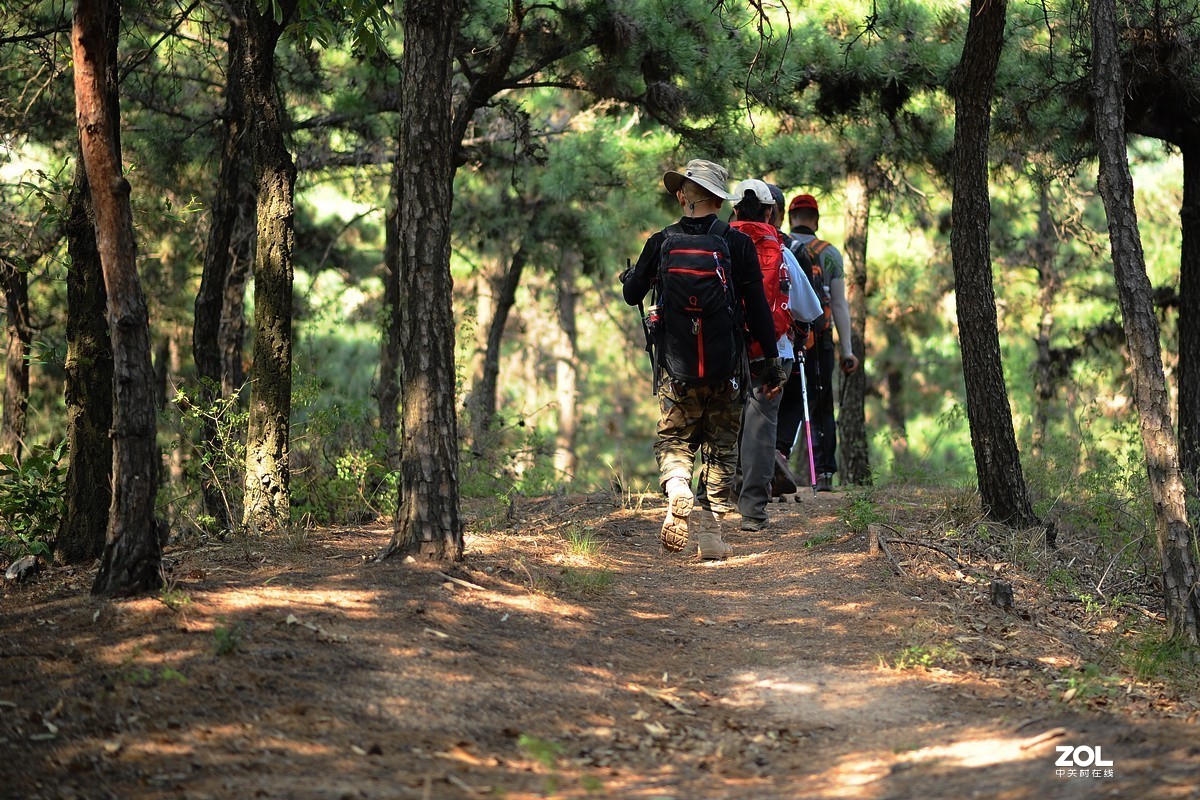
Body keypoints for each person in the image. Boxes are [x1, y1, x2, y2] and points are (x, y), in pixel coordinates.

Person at [622, 159, 786, 559]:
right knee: (721, 447)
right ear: (719, 199)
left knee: (675, 439)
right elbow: (759, 309)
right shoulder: (737, 243)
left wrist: (632, 278)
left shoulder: (661, 241)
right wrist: (770, 363)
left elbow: (632, 295)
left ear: (683, 196)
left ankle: (678, 484)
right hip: (727, 365)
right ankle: (711, 534)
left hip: (676, 370)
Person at [730, 180, 822, 531]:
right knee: (760, 428)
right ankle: (752, 510)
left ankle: (717, 499)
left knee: (724, 423)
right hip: (774, 353)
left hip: (726, 351)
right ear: (771, 212)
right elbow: (808, 309)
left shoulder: (719, 245)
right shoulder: (780, 251)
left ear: (734, 209)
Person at [776, 193, 859, 492]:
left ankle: (777, 456)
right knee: (821, 404)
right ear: (817, 218)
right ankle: (823, 474)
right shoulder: (830, 253)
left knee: (782, 398)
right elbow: (839, 305)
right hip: (820, 337)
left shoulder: (780, 244)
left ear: (789, 217)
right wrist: (847, 350)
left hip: (786, 337)